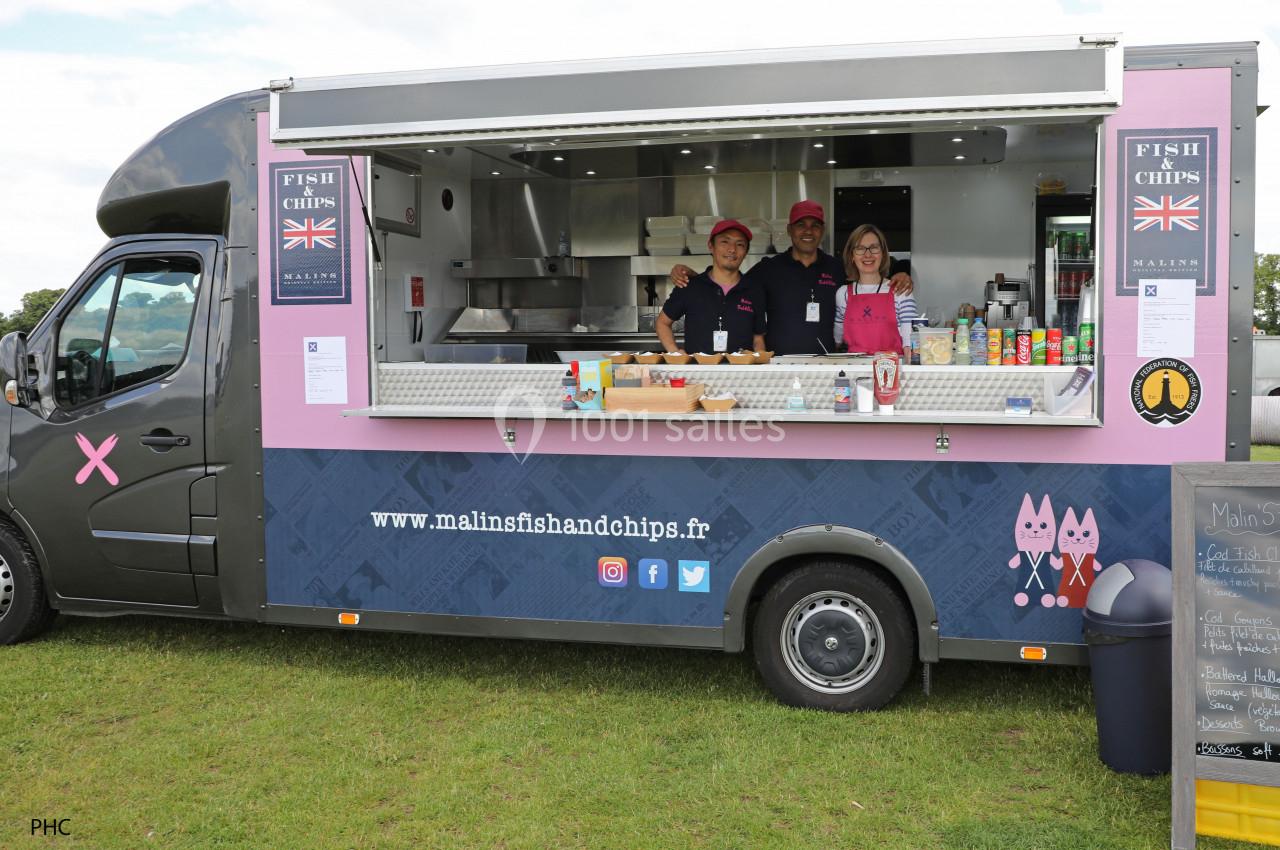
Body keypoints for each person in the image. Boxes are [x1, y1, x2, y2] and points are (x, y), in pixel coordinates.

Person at [669, 201, 912, 355]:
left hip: (826, 362)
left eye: (815, 225)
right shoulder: (769, 268)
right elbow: (728, 280)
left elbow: (869, 278)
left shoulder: (837, 267)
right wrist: (693, 276)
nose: (808, 231)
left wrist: (899, 275)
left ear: (822, 231)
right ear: (789, 230)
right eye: (801, 225)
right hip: (780, 362)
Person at [657, 219, 765, 354]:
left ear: (746, 252)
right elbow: (662, 323)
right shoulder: (690, 286)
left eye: (740, 244)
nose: (732, 249)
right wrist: (675, 353)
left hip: (741, 367)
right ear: (711, 246)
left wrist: (760, 360)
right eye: (725, 242)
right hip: (698, 367)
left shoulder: (754, 290)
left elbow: (758, 338)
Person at [834, 224, 919, 353]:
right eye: (860, 248)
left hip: (891, 364)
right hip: (855, 365)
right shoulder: (843, 294)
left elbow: (912, 343)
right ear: (852, 256)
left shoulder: (900, 290)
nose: (868, 254)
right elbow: (836, 340)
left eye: (874, 248)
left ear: (883, 254)